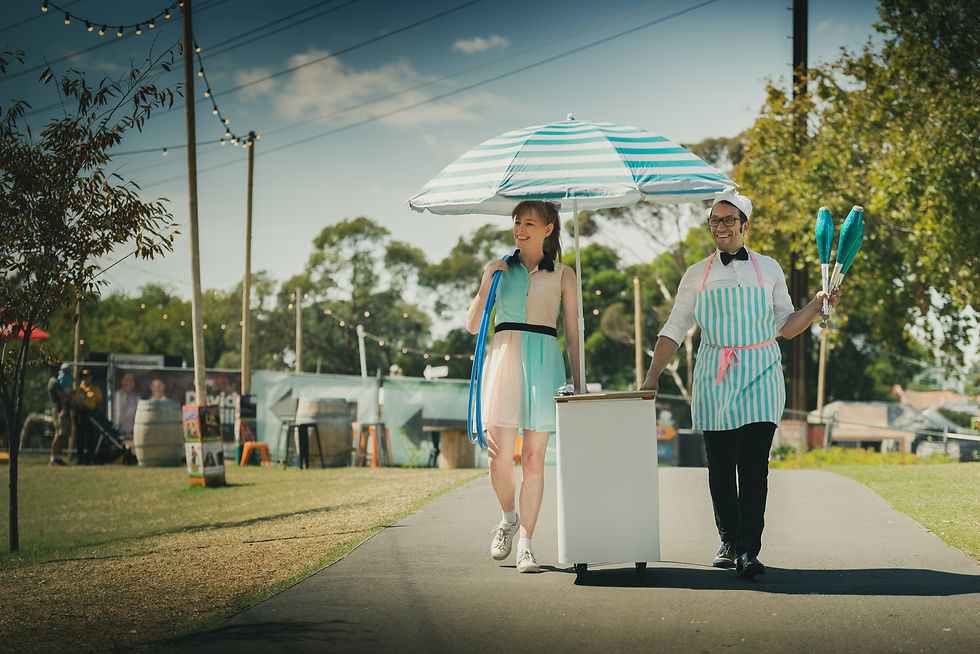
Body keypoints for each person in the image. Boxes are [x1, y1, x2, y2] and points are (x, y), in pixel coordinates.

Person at [639, 190, 841, 578]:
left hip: (762, 371)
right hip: (714, 374)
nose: (720, 227)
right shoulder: (696, 273)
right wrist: (652, 377)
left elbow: (787, 327)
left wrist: (816, 304)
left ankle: (748, 549)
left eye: (728, 220)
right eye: (715, 220)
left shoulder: (769, 269)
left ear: (745, 226)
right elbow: (675, 327)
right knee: (719, 467)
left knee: (752, 467)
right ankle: (728, 539)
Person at [466, 200, 582, 574]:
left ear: (548, 228)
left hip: (545, 364)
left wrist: (577, 385)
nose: (520, 228)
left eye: (529, 223)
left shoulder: (564, 274)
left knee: (534, 460)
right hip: (503, 361)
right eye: (517, 222)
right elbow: (472, 325)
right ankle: (508, 518)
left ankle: (527, 545)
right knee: (498, 457)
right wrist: (486, 281)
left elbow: (573, 334)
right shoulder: (499, 270)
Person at [74, 369, 104, 465]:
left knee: (91, 437)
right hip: (81, 415)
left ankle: (90, 458)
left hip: (91, 415)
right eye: (84, 376)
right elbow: (74, 403)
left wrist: (99, 415)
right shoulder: (78, 389)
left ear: (91, 377)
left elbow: (98, 404)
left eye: (88, 376)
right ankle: (80, 458)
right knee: (80, 438)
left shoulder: (95, 389)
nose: (86, 378)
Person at [46, 363, 70, 466]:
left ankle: (58, 458)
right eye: (57, 369)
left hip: (63, 412)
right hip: (58, 412)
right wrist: (71, 396)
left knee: (63, 435)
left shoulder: (58, 381)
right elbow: (63, 397)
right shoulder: (54, 382)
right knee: (58, 435)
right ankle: (53, 459)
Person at [113, 372, 140, 436]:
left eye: (132, 381)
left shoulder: (137, 399)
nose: (129, 383)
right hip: (115, 433)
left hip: (131, 434)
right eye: (127, 380)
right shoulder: (116, 396)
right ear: (122, 381)